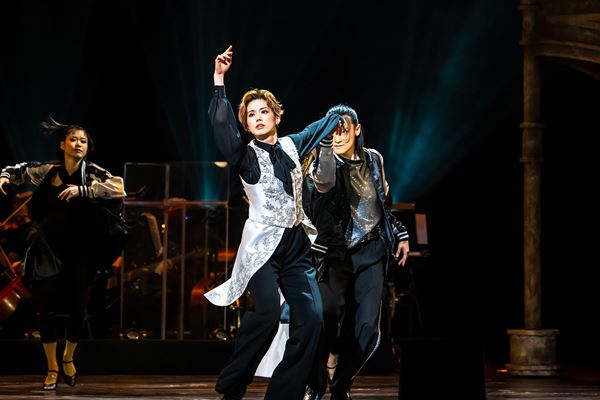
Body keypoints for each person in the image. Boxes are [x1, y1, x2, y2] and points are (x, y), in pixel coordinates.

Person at [204, 45, 341, 400]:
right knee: (266, 316)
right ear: (246, 124)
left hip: (296, 246)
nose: (258, 117)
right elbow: (222, 127)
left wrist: (341, 114)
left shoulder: (294, 145)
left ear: (276, 116)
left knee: (312, 318)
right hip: (262, 248)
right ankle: (233, 385)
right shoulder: (244, 156)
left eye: (264, 111)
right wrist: (219, 79)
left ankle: (284, 393)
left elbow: (321, 125)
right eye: (251, 115)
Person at [0, 116, 126, 390]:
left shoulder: (92, 173)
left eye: (83, 141)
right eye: (74, 140)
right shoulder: (48, 170)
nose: (79, 144)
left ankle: (68, 357)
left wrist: (83, 190)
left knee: (79, 308)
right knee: (45, 309)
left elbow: (118, 187)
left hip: (82, 250)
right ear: (62, 144)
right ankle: (52, 367)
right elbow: (17, 170)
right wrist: (5, 178)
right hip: (50, 250)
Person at [303, 104, 410, 400]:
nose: (338, 137)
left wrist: (400, 233)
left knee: (368, 329)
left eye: (343, 130)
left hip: (371, 250)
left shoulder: (374, 159)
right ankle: (317, 380)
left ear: (357, 130)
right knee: (327, 314)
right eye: (332, 131)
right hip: (334, 253)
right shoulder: (323, 160)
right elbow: (318, 195)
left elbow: (382, 205)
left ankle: (341, 384)